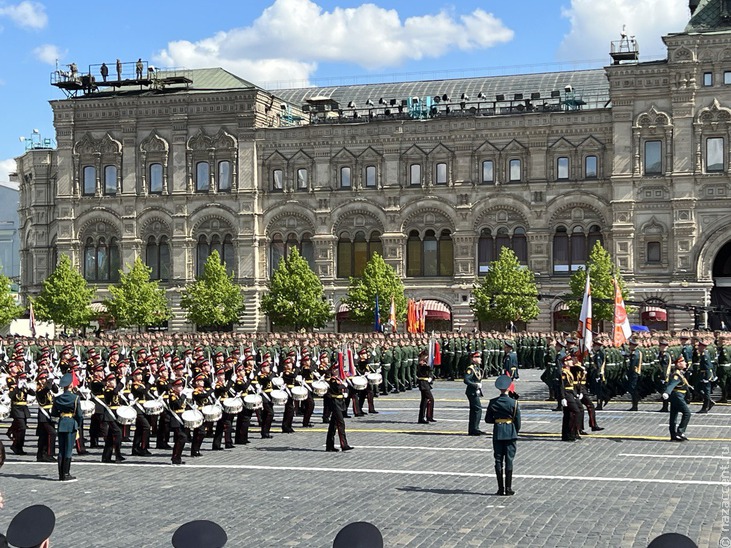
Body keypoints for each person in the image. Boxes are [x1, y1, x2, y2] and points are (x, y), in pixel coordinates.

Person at [484, 374, 521, 496]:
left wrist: (497, 421)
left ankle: (500, 488)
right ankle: (509, 488)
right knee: (509, 460)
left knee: (498, 460)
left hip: (498, 432)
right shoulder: (513, 403)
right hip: (510, 432)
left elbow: (488, 419)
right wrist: (514, 431)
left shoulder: (493, 402)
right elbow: (518, 421)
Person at [50, 372, 84, 481]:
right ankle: (66, 473)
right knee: (68, 450)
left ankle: (61, 474)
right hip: (71, 423)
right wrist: (77, 425)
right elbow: (79, 415)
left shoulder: (57, 398)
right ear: (70, 385)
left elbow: (54, 413)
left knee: (61, 450)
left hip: (61, 423)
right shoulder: (75, 398)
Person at [325, 364, 353, 452]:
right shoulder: (333, 379)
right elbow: (335, 387)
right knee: (341, 424)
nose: (337, 371)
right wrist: (344, 386)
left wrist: (346, 390)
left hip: (340, 402)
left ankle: (329, 445)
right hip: (335, 403)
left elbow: (346, 388)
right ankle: (344, 444)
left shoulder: (339, 379)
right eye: (335, 369)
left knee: (333, 425)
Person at [663, 355, 692, 441]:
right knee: (687, 413)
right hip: (677, 396)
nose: (685, 363)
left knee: (674, 415)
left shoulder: (679, 372)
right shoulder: (676, 375)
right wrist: (667, 392)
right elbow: (671, 385)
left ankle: (673, 435)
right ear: (678, 363)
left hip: (677, 396)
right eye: (683, 361)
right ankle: (680, 432)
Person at [559, 354, 581, 442]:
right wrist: (562, 397)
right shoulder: (564, 372)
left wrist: (575, 394)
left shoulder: (569, 371)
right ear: (566, 362)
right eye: (570, 360)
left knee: (568, 415)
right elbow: (561, 386)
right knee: (576, 412)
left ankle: (566, 435)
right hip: (567, 395)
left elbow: (571, 385)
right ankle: (572, 432)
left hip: (570, 393)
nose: (572, 362)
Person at [464, 351, 484, 436]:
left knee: (474, 410)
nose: (480, 359)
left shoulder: (476, 368)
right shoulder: (470, 369)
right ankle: (475, 428)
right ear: (473, 359)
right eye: (478, 357)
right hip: (472, 391)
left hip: (475, 391)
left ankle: (473, 429)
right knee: (478, 409)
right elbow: (466, 380)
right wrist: (475, 385)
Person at [416, 350, 435, 424]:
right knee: (431, 399)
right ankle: (428, 416)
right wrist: (430, 365)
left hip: (426, 383)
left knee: (424, 401)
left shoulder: (425, 363)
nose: (427, 357)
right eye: (426, 356)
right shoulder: (421, 363)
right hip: (423, 383)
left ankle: (422, 418)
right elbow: (426, 370)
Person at [697, 339, 716, 413]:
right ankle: (709, 402)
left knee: (706, 391)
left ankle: (705, 407)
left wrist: (708, 377)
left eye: (699, 347)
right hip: (703, 374)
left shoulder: (705, 355)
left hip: (706, 375)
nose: (698, 348)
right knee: (698, 389)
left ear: (703, 347)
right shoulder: (703, 354)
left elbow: (708, 366)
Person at [627, 338, 642, 411]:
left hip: (634, 373)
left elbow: (633, 365)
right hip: (634, 373)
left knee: (633, 389)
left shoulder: (635, 354)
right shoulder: (635, 352)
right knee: (633, 389)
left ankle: (635, 405)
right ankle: (634, 405)